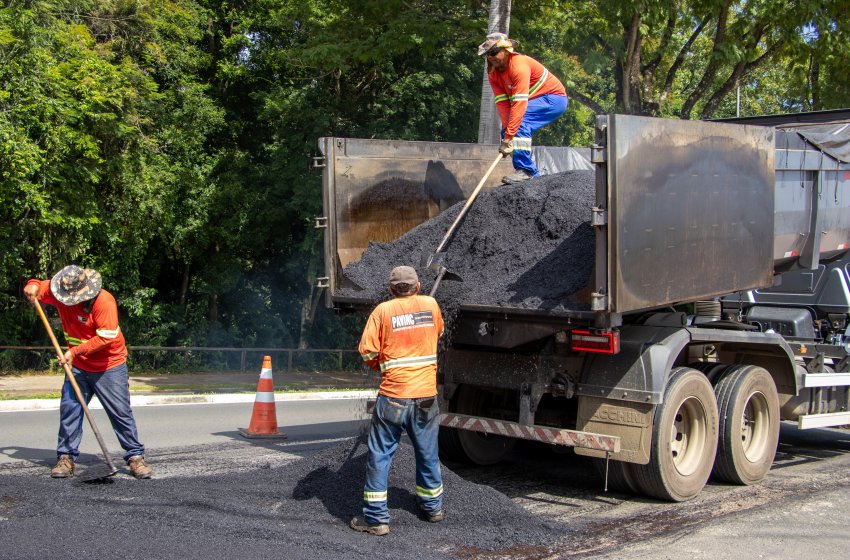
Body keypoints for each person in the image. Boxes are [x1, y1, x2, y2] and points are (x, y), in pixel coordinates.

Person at [23, 265, 152, 480]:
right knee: (70, 410)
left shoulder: (104, 302)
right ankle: (66, 457)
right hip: (78, 366)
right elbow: (37, 286)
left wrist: (73, 352)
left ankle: (135, 457)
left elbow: (105, 338)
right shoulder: (60, 292)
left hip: (109, 366)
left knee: (120, 412)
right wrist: (32, 285)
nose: (67, 302)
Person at [350, 266, 445, 536]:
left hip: (393, 396)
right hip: (426, 396)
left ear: (391, 289)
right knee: (427, 453)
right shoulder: (431, 305)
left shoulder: (382, 311)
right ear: (418, 286)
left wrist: (382, 366)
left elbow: (368, 351)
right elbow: (437, 333)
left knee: (380, 455)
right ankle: (432, 508)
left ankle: (376, 520)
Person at [478, 32, 568, 184]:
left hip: (553, 99)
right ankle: (532, 177)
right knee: (508, 129)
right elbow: (503, 103)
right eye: (488, 54)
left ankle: (526, 171)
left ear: (506, 50)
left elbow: (519, 105)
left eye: (494, 52)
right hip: (532, 101)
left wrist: (510, 136)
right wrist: (507, 134)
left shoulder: (518, 66)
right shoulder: (493, 74)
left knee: (519, 123)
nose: (491, 57)